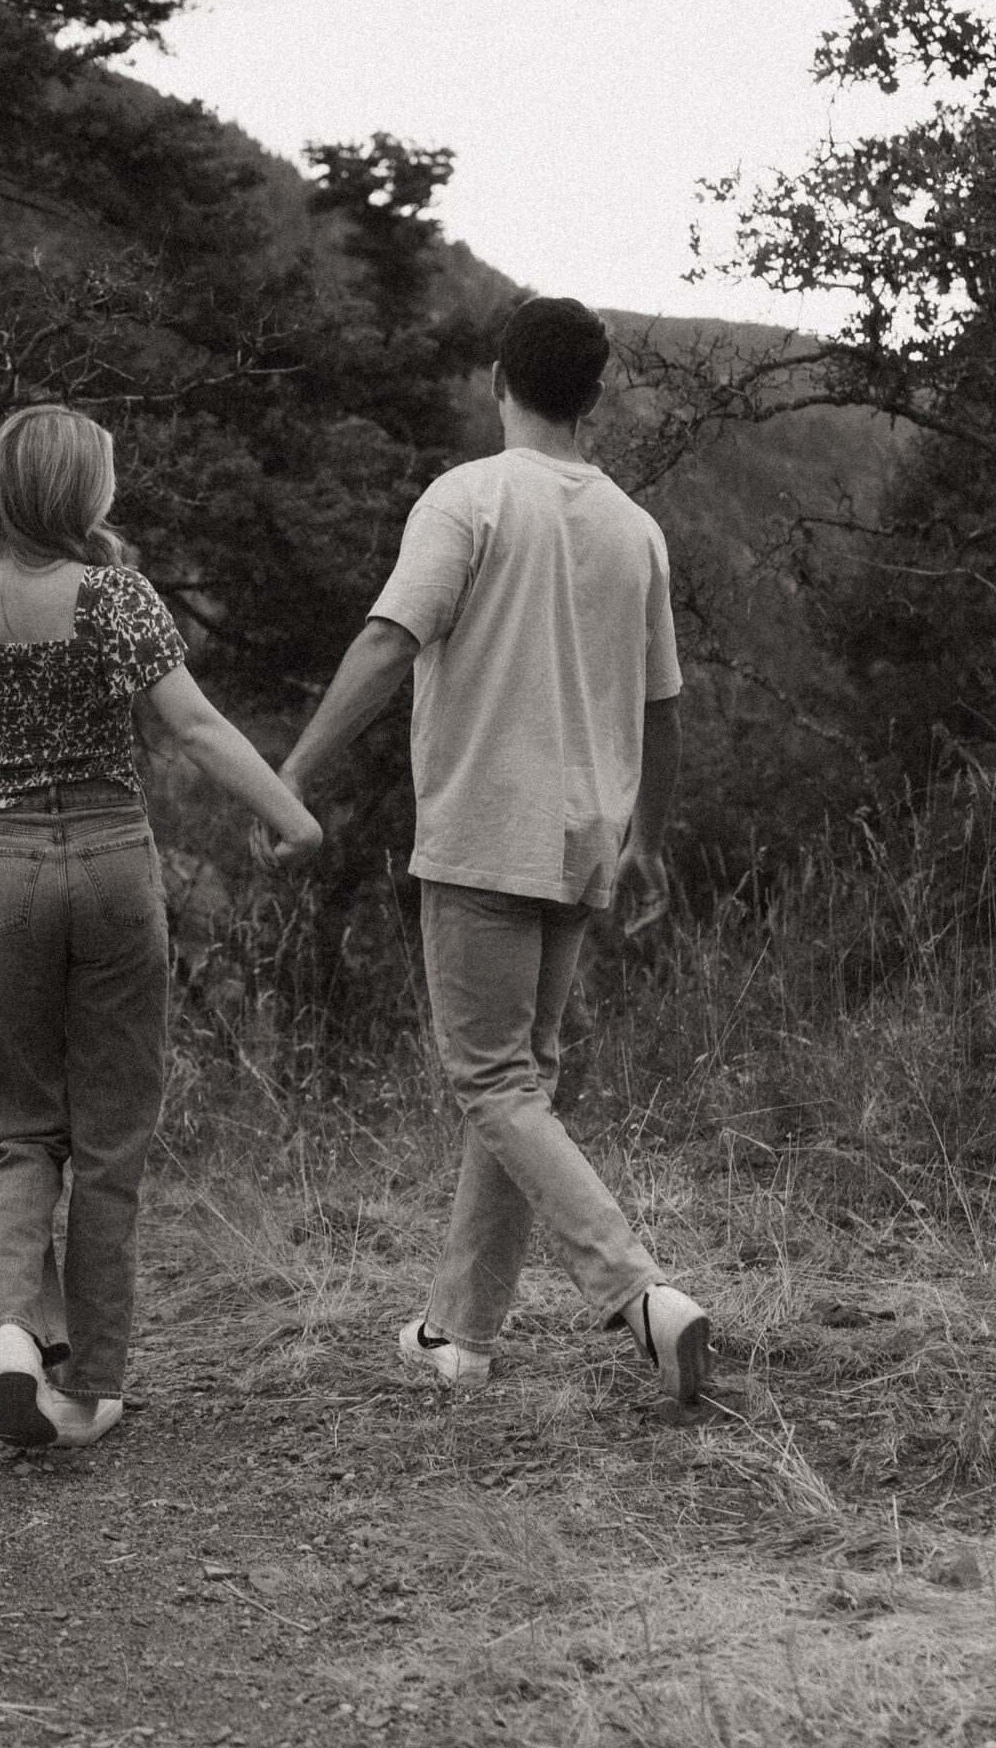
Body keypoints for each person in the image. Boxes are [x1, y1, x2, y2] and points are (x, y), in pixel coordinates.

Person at [267, 297, 713, 1403]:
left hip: (479, 837)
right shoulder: (635, 528)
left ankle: (639, 1292)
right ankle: (456, 1335)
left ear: (498, 378)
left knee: (495, 1081)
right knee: (521, 1086)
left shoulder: (467, 499)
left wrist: (292, 771)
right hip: (582, 842)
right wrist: (646, 841)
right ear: (593, 394)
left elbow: (386, 643)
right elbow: (664, 712)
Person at [0, 403, 322, 1451]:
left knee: (14, 1122)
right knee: (111, 1134)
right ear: (77, 493)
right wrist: (291, 815)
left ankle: (10, 1336)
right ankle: (90, 1388)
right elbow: (195, 725)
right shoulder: (117, 599)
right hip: (111, 860)